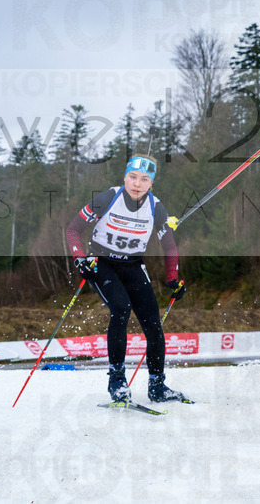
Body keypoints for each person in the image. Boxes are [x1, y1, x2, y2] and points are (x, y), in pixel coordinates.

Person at [65, 155, 188, 403]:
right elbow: (73, 230)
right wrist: (80, 260)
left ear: (151, 184)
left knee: (153, 321)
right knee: (121, 308)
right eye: (133, 177)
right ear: (124, 177)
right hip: (101, 263)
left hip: (133, 264)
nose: (137, 183)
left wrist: (173, 279)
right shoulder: (107, 198)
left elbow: (169, 245)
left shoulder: (156, 207)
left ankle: (157, 385)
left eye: (144, 179)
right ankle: (117, 382)